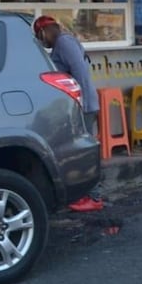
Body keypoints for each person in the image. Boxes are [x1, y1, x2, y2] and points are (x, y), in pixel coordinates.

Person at [33, 15, 103, 212]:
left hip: (82, 105)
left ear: (44, 32)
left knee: (84, 151)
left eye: (39, 37)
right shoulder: (63, 44)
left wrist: (83, 103)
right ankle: (85, 194)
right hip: (78, 104)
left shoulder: (64, 43)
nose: (42, 42)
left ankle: (94, 197)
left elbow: (81, 73)